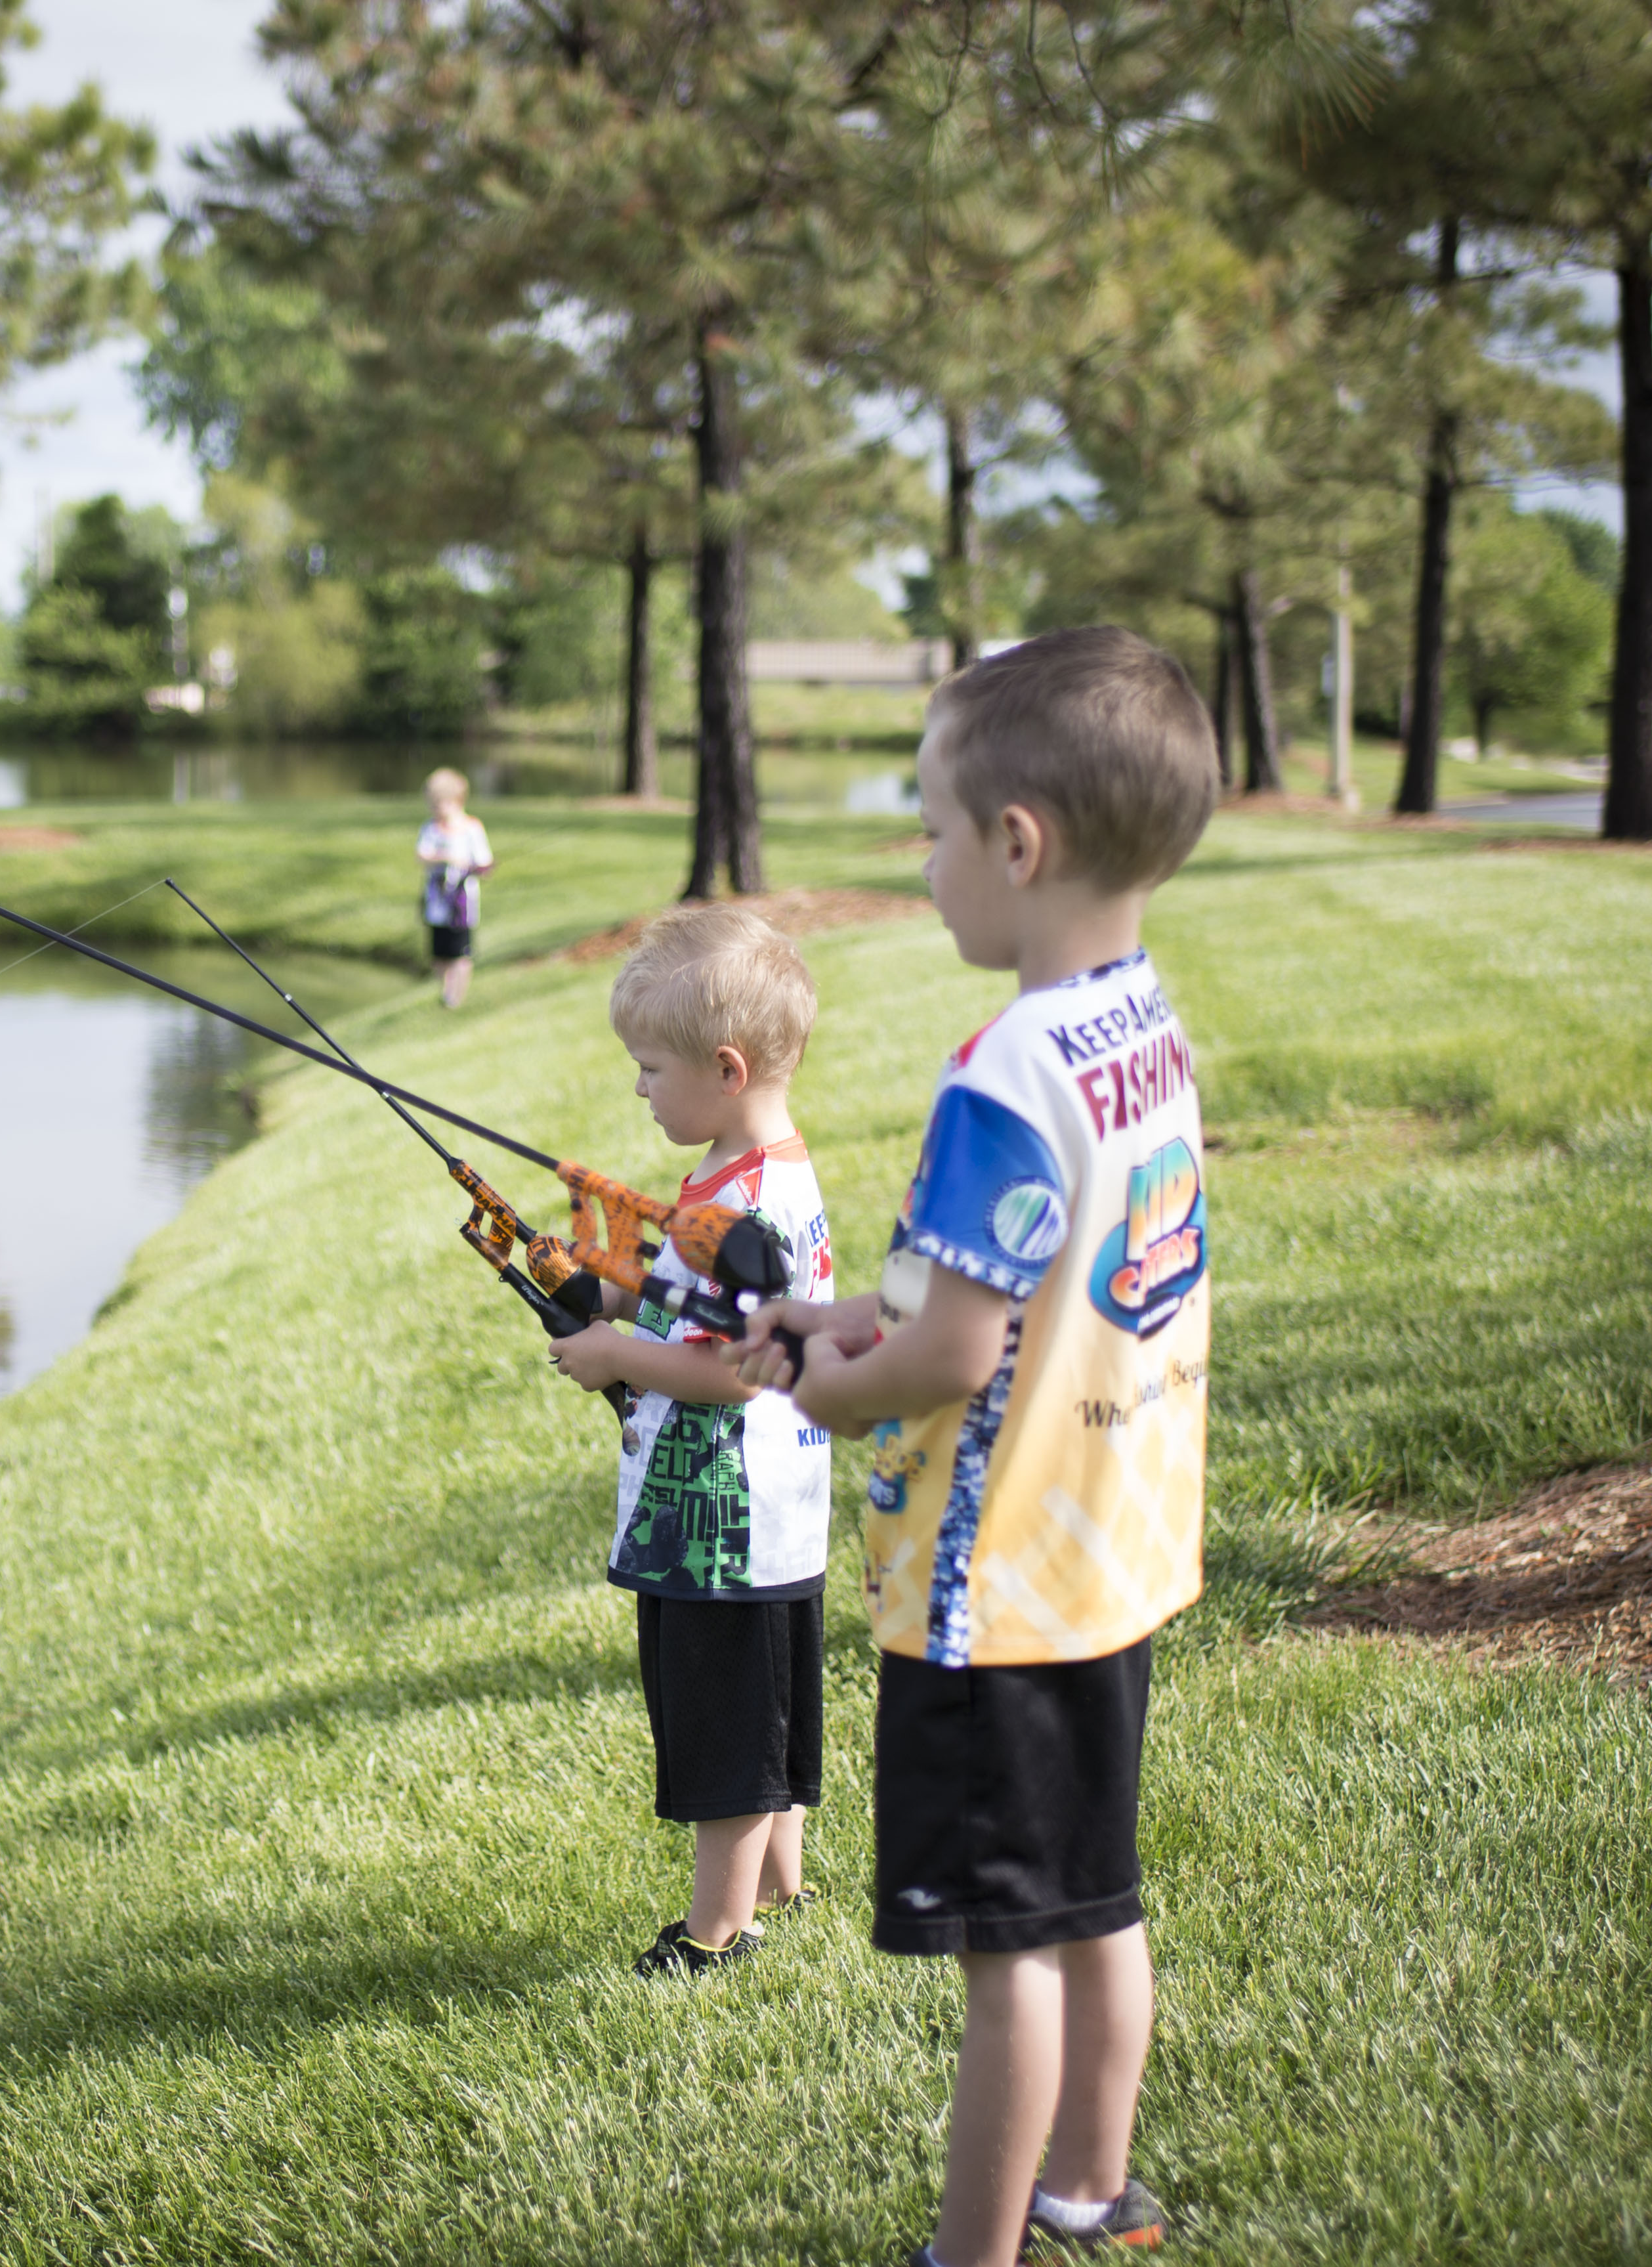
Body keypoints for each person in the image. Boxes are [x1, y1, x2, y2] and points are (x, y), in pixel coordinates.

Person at [735, 626, 1219, 2265]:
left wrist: (823, 1387)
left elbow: (953, 1347)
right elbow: (1008, 1286)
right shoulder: (1137, 1025)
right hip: (1113, 1544)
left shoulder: (1005, 1071)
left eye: (933, 831)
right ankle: (1093, 2187)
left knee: (1002, 1942)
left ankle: (975, 2250)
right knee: (1095, 1889)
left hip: (995, 1585)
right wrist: (841, 1316)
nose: (924, 865)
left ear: (1017, 844)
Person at [549, 901, 838, 1977]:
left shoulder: (749, 1201)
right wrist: (607, 1261)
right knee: (769, 1705)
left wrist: (617, 1352)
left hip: (724, 1518)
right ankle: (784, 1877)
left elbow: (729, 1369)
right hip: (772, 1515)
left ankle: (718, 1934)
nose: (638, 1087)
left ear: (724, 1067)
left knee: (726, 1731)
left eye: (649, 1067)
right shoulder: (757, 1173)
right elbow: (704, 1297)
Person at [413, 768, 494, 1008]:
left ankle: (456, 999)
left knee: (461, 954)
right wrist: (446, 857)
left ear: (455, 801)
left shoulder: (472, 829)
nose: (434, 811)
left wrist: (479, 868)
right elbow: (422, 856)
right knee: (439, 956)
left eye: (438, 805)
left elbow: (484, 864)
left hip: (462, 906)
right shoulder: (430, 829)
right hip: (437, 904)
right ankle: (446, 991)